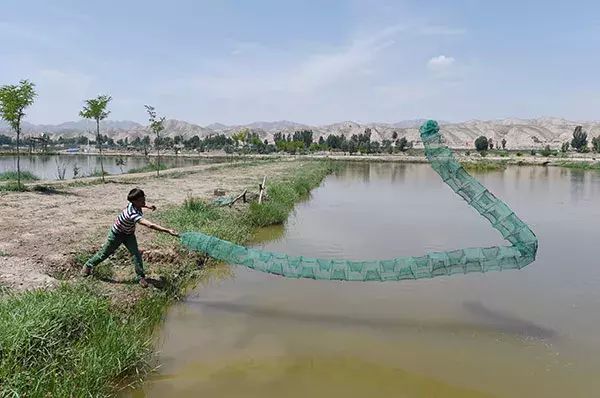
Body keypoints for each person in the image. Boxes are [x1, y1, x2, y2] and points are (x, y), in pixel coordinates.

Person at [81, 188, 179, 287]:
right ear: (134, 201)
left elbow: (141, 204)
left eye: (144, 198)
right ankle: (88, 265)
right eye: (141, 200)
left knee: (136, 254)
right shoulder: (131, 213)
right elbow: (150, 225)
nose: (144, 201)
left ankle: (140, 277)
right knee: (104, 253)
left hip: (129, 234)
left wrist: (148, 206)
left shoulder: (135, 204)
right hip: (117, 234)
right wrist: (167, 230)